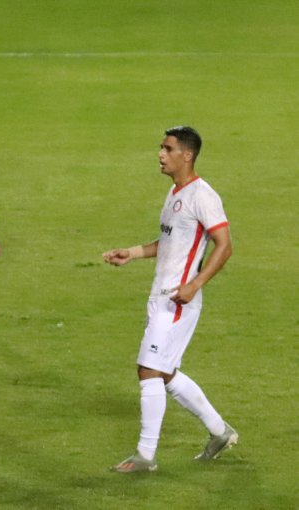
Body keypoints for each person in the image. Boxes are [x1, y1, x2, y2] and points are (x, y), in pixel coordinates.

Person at [103, 126, 238, 473]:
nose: (160, 154)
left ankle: (145, 456)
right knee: (163, 373)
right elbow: (171, 242)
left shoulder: (202, 195)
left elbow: (224, 245)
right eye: (161, 148)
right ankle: (220, 431)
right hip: (162, 296)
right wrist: (131, 253)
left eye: (167, 149)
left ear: (187, 155)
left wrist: (195, 284)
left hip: (178, 299)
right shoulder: (175, 192)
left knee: (148, 369)